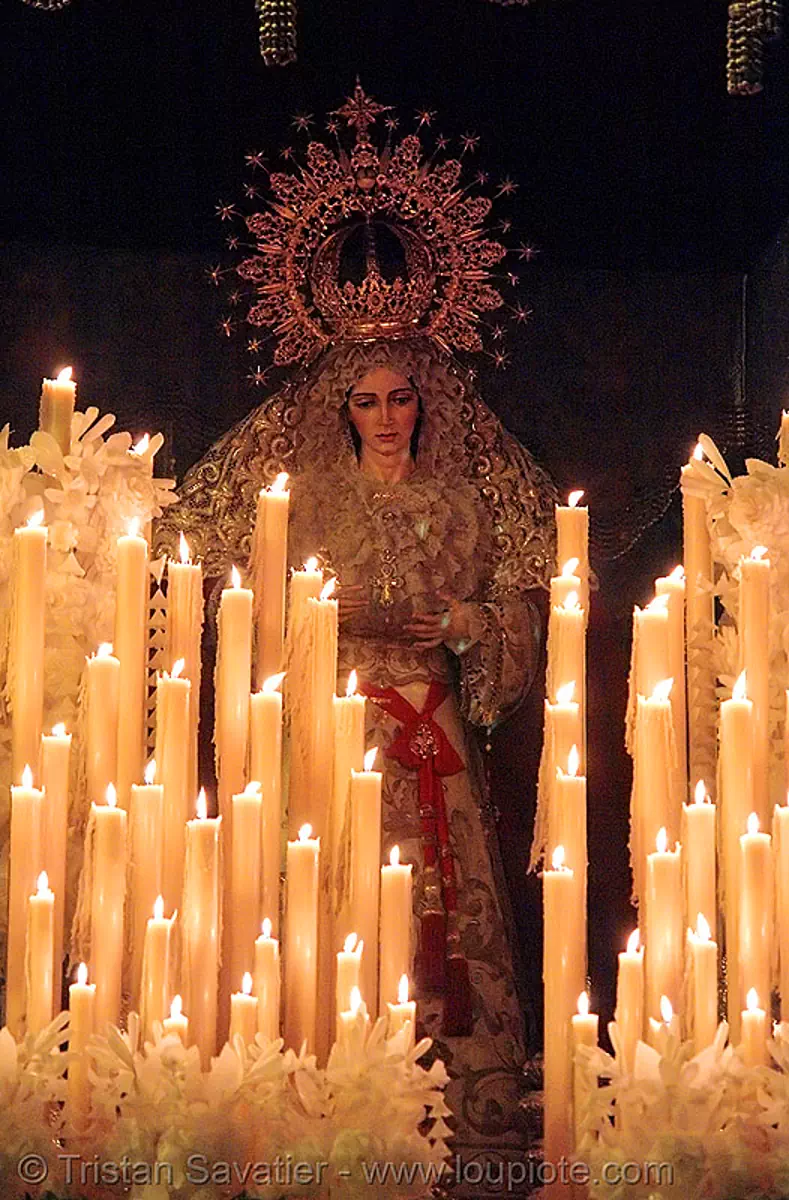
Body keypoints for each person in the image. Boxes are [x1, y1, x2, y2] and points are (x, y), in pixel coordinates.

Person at [155, 85, 556, 1165]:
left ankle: (467, 1093)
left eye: (401, 398)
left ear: (425, 399)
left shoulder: (476, 493)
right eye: (366, 401)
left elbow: (526, 589)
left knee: (448, 897)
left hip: (429, 723)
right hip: (336, 728)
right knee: (331, 891)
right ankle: (332, 1080)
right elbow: (208, 547)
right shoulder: (299, 494)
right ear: (342, 408)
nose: (386, 416)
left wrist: (475, 622)